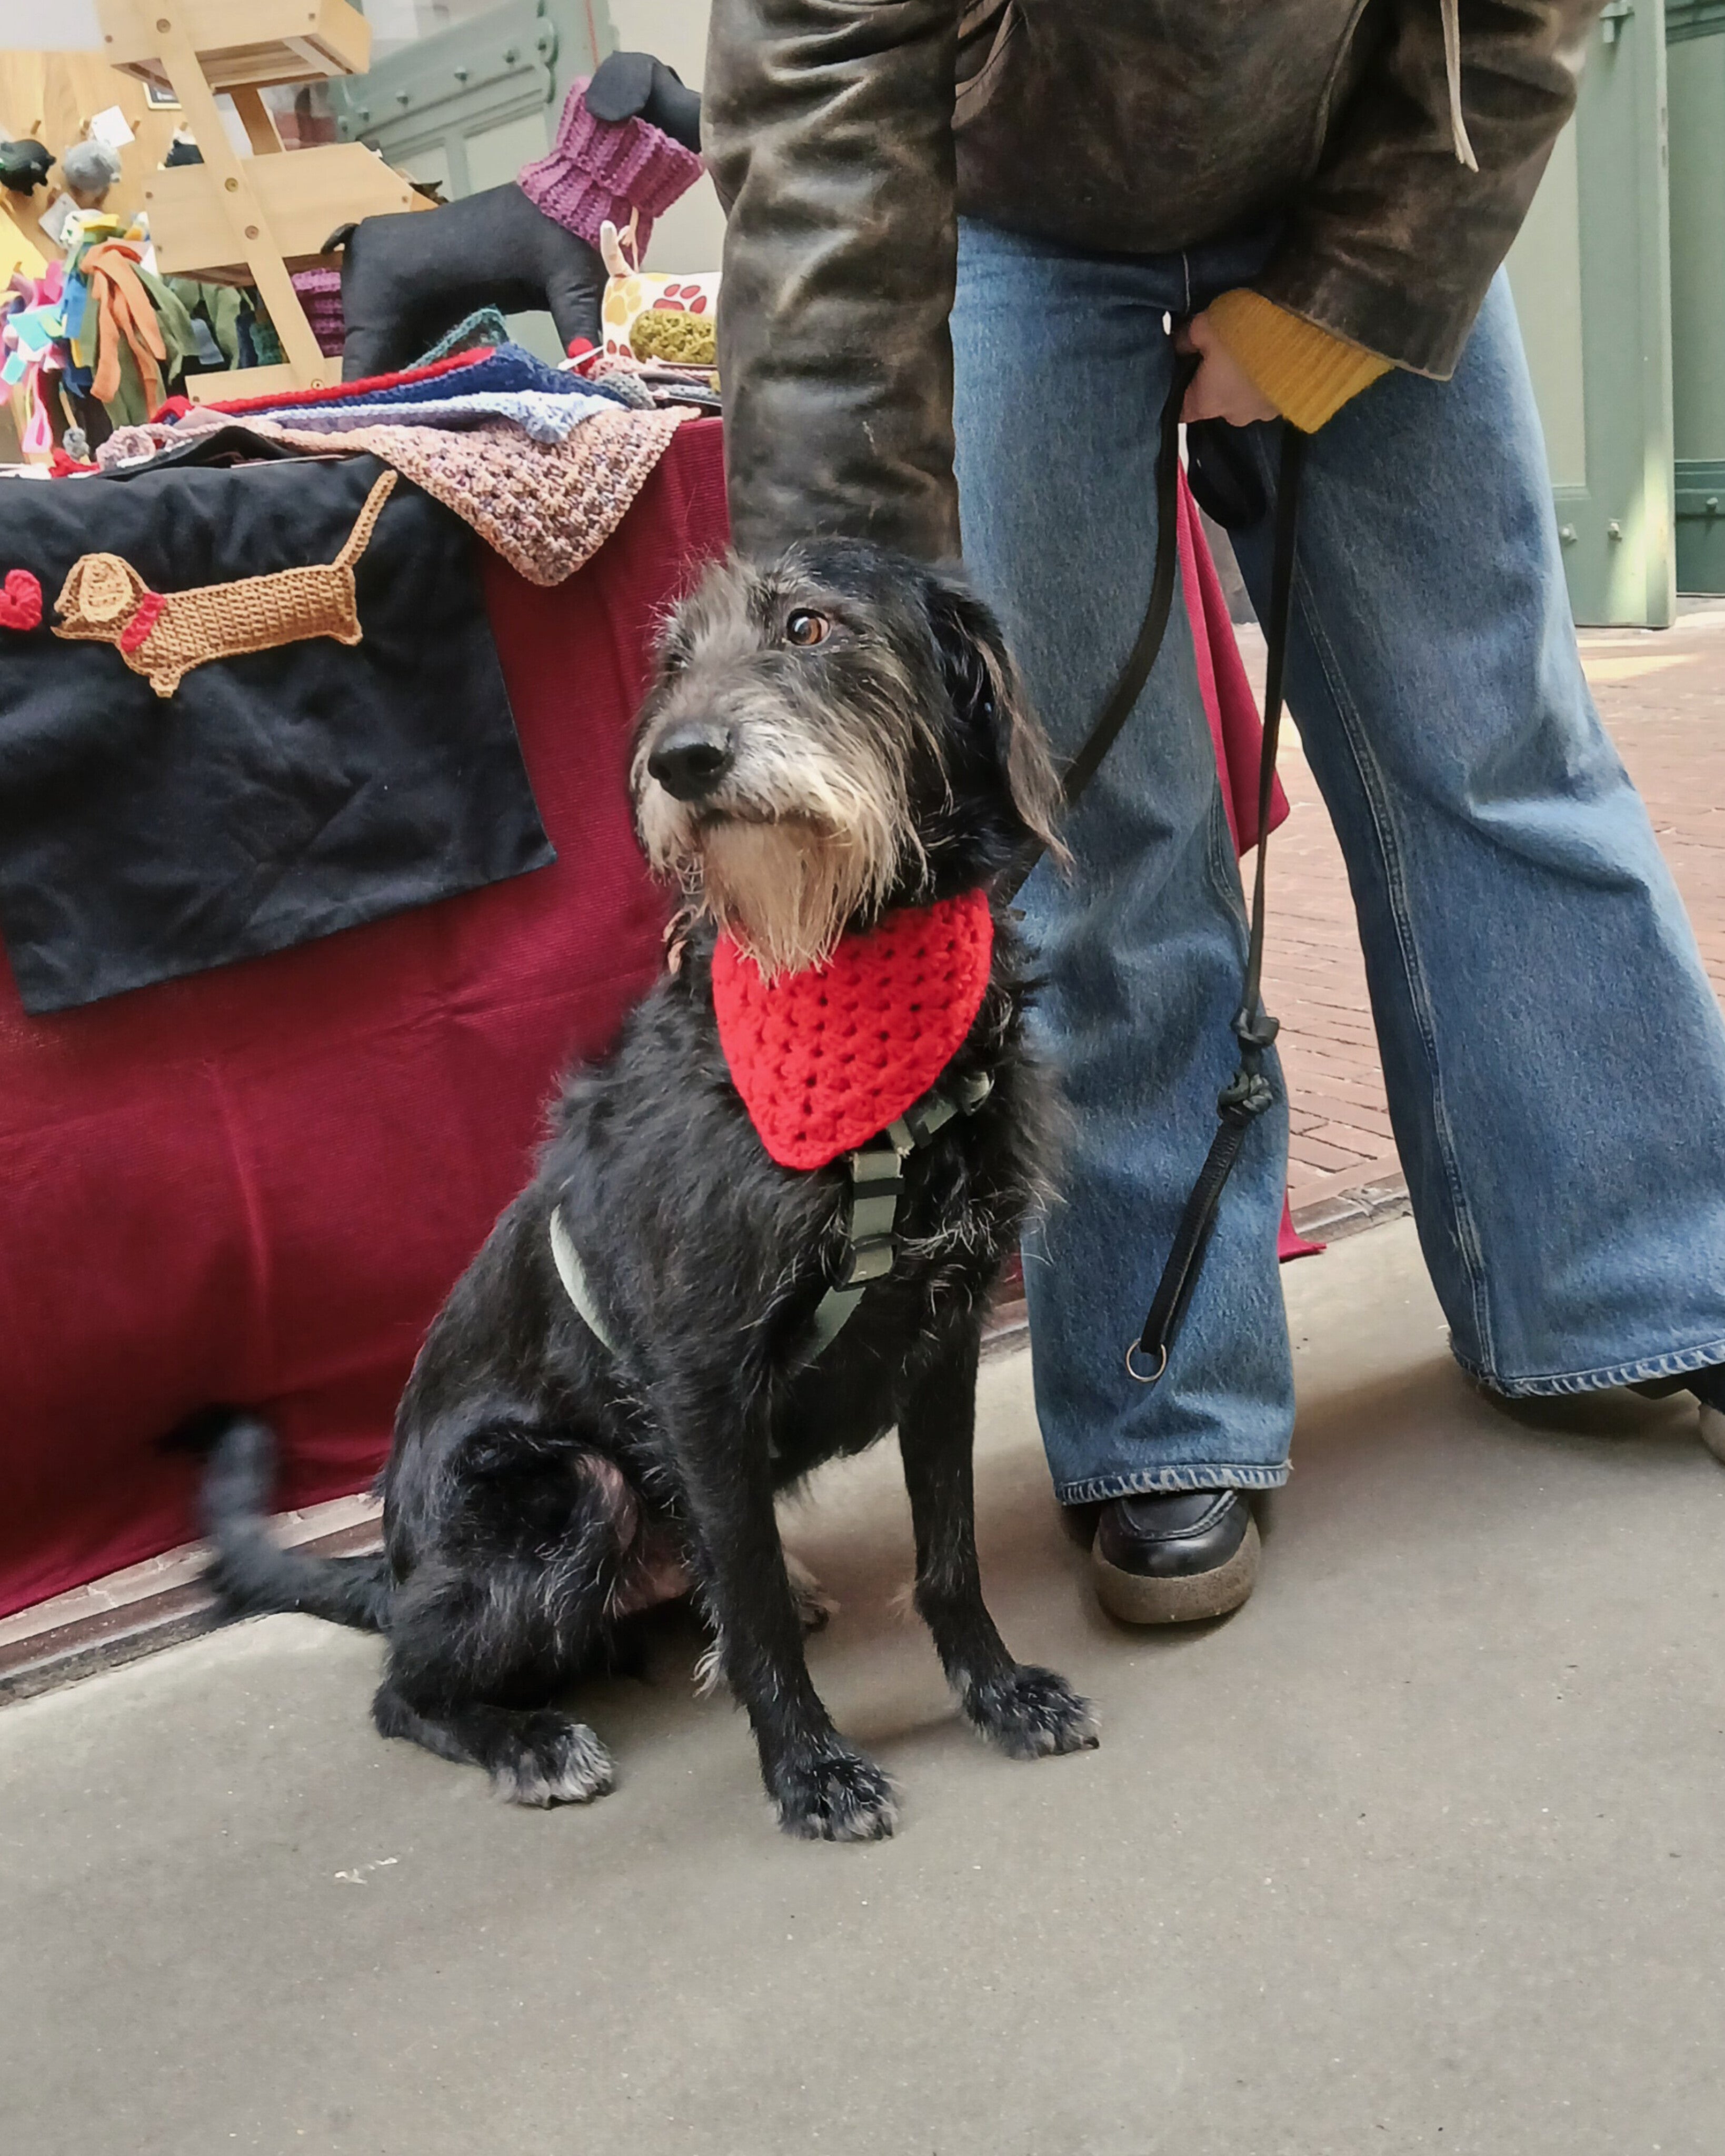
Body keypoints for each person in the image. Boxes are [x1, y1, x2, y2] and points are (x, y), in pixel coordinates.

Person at [701, 1, 1725, 1624]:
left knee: (1501, 752)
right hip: (1015, 214)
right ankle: (1159, 1392)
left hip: (1379, 156)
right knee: (1099, 832)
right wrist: (843, 623)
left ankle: (1647, 1279)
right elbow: (817, 119)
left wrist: (1339, 296)